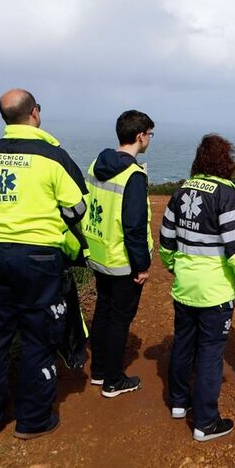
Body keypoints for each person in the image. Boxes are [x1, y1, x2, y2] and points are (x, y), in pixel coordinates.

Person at [0, 89, 88, 440]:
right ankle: (33, 420)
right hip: (39, 258)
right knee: (38, 337)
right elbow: (77, 208)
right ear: (35, 113)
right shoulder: (53, 157)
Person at [159, 134, 235, 442]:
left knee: (184, 343)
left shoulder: (181, 190)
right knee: (211, 353)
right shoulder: (227, 194)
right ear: (225, 160)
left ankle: (178, 402)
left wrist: (176, 267)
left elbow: (166, 241)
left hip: (185, 286)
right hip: (214, 292)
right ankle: (205, 423)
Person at [81, 110, 154, 398]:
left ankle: (99, 371)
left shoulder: (96, 163)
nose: (149, 140)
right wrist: (142, 266)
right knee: (120, 319)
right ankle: (113, 379)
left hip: (99, 253)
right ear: (139, 136)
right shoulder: (133, 175)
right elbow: (134, 226)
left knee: (103, 310)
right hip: (122, 260)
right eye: (149, 135)